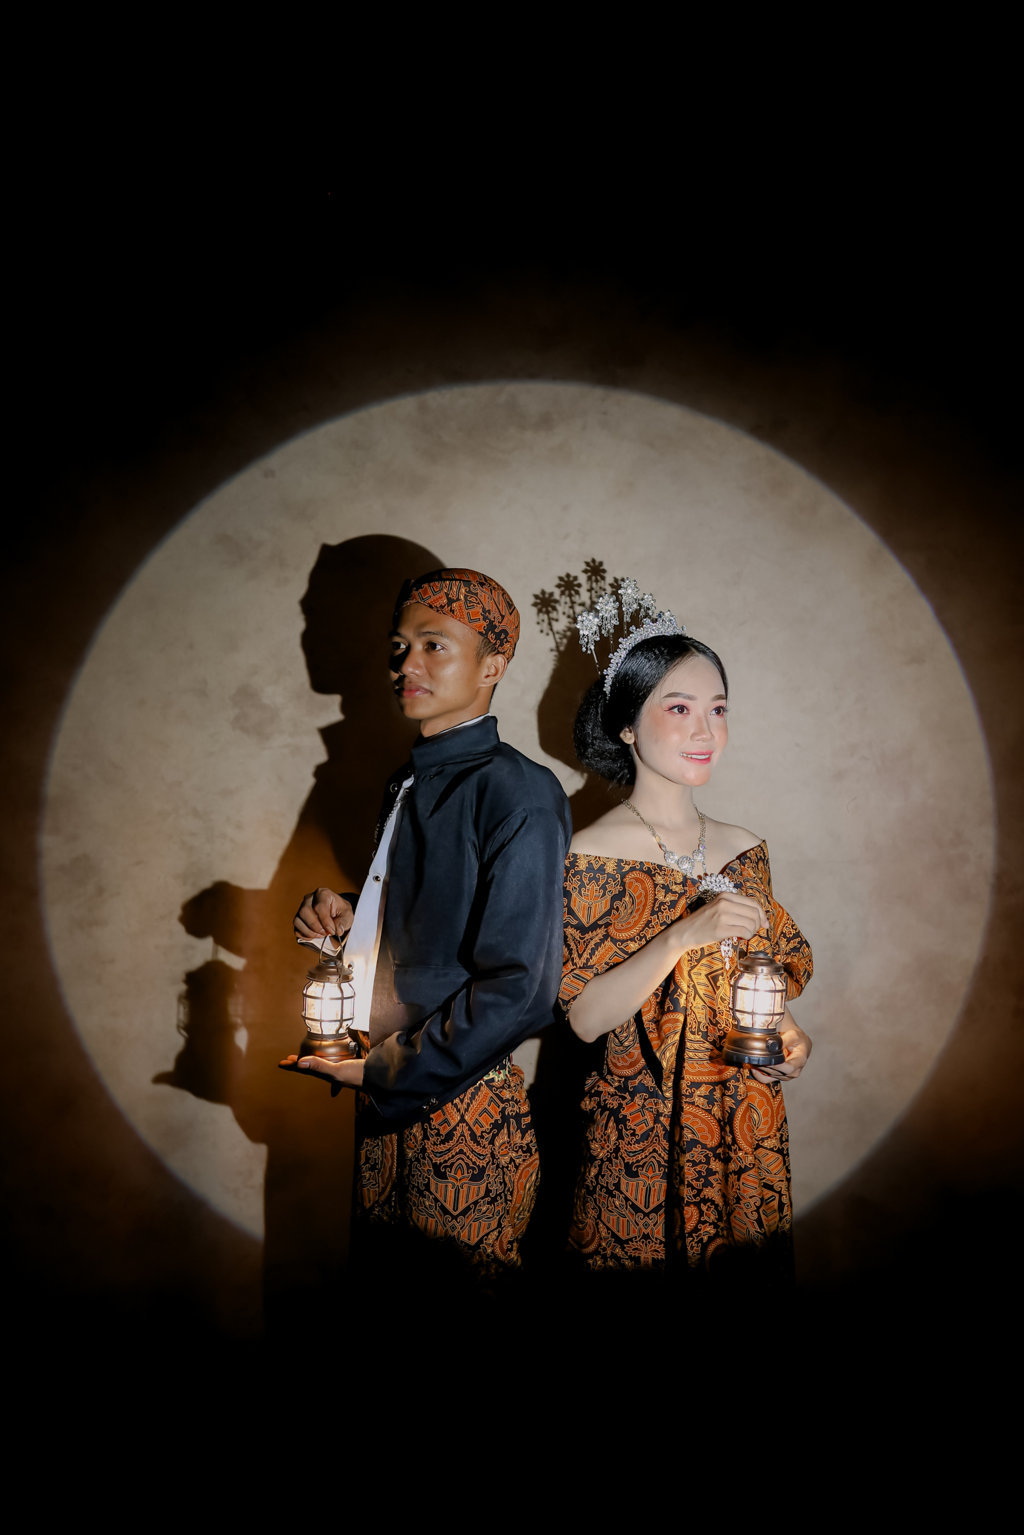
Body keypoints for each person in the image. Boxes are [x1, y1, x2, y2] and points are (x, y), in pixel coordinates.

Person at [281, 568, 572, 1280]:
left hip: (460, 1103)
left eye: (433, 645)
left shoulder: (518, 789)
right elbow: (437, 920)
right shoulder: (408, 778)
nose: (405, 665)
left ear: (492, 666)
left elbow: (523, 987)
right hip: (384, 1097)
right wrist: (356, 912)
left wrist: (389, 1070)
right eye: (399, 647)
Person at [561, 593, 813, 1276]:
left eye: (718, 709)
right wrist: (681, 936)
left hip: (744, 1124)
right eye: (679, 708)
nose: (706, 730)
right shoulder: (587, 853)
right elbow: (584, 1018)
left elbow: (763, 981)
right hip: (639, 1131)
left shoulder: (745, 848)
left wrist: (791, 1040)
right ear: (626, 726)